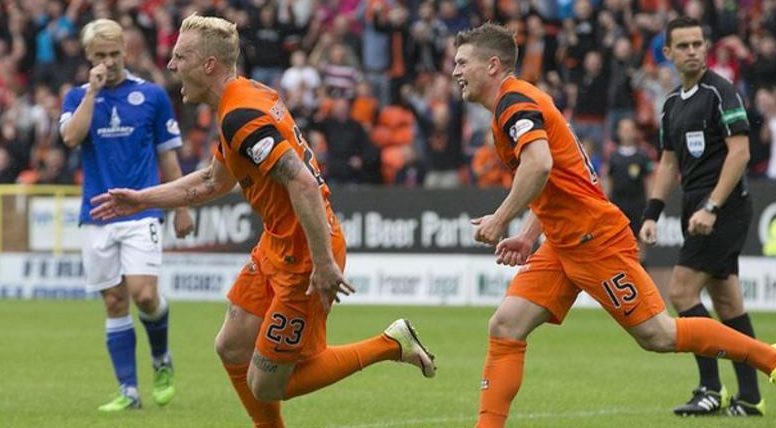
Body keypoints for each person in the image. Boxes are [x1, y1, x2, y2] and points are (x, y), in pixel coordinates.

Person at [89, 14, 435, 427]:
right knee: (231, 346)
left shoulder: (241, 116)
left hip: (306, 253)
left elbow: (303, 184)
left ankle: (390, 344)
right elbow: (212, 181)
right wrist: (144, 199)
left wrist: (323, 264)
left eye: (180, 56)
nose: (171, 65)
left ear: (209, 65)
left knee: (267, 384)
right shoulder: (244, 98)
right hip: (279, 242)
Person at [451, 22, 776, 428]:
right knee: (505, 325)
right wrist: (528, 234)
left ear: (492, 65)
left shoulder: (514, 102)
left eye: (462, 62)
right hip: (562, 240)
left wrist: (501, 220)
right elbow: (555, 181)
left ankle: (771, 358)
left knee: (659, 335)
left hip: (592, 238)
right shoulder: (518, 101)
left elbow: (539, 164)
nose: (455, 71)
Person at [59, 19, 195, 411]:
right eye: (100, 55)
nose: (109, 61)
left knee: (144, 294)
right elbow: (71, 137)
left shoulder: (151, 96)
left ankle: (161, 359)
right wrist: (92, 92)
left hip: (141, 211)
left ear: (126, 52)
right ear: (89, 58)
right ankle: (129, 392)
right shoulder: (76, 98)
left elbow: (168, 158)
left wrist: (181, 206)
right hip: (96, 214)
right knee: (115, 302)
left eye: (114, 54)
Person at [639, 16, 763, 416]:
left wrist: (712, 206)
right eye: (684, 45)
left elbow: (740, 153)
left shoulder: (721, 92)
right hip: (697, 207)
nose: (692, 50)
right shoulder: (673, 102)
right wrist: (652, 213)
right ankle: (750, 397)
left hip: (724, 208)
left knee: (680, 293)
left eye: (698, 43)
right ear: (668, 52)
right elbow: (668, 161)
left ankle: (710, 388)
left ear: (704, 48)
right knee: (728, 303)